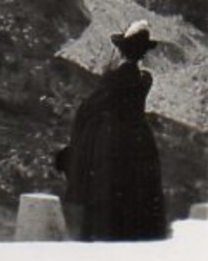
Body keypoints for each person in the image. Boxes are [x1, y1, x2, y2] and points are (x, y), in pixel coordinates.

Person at [55, 19, 167, 241]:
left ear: (121, 52)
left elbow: (87, 110)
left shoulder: (114, 80)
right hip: (139, 142)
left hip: (111, 145)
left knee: (106, 197)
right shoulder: (143, 79)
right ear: (142, 54)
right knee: (136, 197)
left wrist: (76, 146)